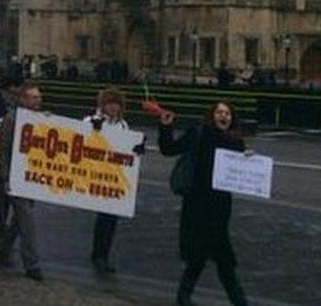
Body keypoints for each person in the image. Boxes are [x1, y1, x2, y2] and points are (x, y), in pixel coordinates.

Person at [159, 103, 249, 305]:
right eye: (219, 112)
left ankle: (188, 297)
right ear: (212, 116)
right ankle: (188, 298)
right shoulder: (199, 133)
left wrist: (249, 160)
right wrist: (165, 127)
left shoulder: (235, 141)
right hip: (197, 205)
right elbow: (169, 149)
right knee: (199, 256)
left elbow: (241, 172)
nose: (223, 116)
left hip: (220, 209)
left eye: (227, 113)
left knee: (222, 259)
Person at [81, 87, 146, 275]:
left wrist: (136, 149)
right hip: (94, 173)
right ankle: (99, 254)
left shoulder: (123, 125)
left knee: (109, 219)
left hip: (112, 176)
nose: (113, 108)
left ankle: (102, 254)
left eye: (116, 104)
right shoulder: (91, 121)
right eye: (110, 104)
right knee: (104, 218)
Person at [0, 81, 44, 281]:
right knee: (27, 221)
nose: (37, 100)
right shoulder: (11, 119)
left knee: (20, 220)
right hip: (16, 176)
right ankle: (32, 264)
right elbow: (3, 150)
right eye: (33, 97)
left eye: (39, 97)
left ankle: (4, 247)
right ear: (22, 99)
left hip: (32, 175)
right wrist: (5, 176)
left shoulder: (40, 118)